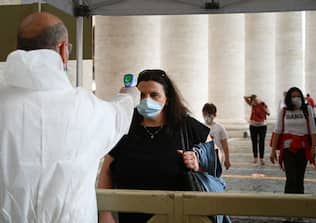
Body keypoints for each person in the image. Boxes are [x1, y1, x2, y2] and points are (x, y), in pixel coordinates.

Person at [0, 12, 139, 223]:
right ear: (63, 49)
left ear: (17, 48)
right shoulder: (86, 108)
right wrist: (128, 96)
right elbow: (119, 116)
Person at [98, 69, 210, 223]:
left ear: (167, 98)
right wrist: (105, 213)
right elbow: (106, 171)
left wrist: (199, 159)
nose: (146, 100)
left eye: (154, 95)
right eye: (141, 95)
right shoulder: (124, 127)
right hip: (131, 216)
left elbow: (216, 157)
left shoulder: (186, 126)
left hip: (179, 216)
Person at [270, 87, 316, 194]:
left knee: (300, 179)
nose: (296, 98)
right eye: (293, 96)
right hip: (288, 149)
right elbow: (277, 131)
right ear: (288, 98)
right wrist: (273, 151)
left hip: (303, 148)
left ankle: (299, 205)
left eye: (298, 96)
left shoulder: (307, 109)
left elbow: (313, 130)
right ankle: (289, 205)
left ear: (302, 97)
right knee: (291, 179)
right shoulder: (284, 111)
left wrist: (313, 148)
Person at [202, 103, 231, 170]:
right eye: (205, 114)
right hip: (204, 157)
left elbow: (225, 145)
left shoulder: (220, 128)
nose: (207, 116)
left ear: (214, 115)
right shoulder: (200, 126)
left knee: (215, 176)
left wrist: (227, 159)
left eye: (209, 114)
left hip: (217, 156)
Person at [244, 94, 270, 165]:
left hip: (262, 126)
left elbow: (268, 113)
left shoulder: (263, 104)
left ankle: (261, 158)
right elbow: (245, 97)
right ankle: (255, 158)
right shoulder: (253, 105)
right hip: (253, 125)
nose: (255, 101)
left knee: (261, 142)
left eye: (256, 100)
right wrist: (251, 97)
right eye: (254, 100)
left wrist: (262, 106)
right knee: (254, 142)